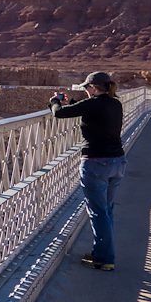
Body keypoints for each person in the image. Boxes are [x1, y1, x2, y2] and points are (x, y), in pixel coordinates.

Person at [48, 72, 125, 271]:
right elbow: (92, 111)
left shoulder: (93, 104)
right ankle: (104, 253)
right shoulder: (115, 103)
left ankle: (104, 259)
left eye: (85, 88)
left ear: (93, 87)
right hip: (117, 162)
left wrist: (54, 101)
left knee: (98, 212)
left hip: (97, 164)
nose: (85, 91)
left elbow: (59, 113)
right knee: (106, 210)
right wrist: (72, 101)